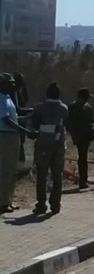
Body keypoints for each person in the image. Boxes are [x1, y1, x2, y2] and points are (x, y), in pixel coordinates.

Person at [0, 73, 37, 214]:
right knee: (5, 170)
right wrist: (26, 131)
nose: (14, 86)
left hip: (13, 136)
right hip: (5, 136)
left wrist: (29, 115)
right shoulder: (0, 99)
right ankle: (3, 203)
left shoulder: (8, 98)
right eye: (11, 83)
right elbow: (7, 121)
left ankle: (8, 200)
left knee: (11, 170)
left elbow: (14, 117)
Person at [29, 82, 68, 214]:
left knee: (42, 175)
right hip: (59, 144)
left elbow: (34, 124)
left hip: (43, 144)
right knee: (57, 175)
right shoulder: (64, 108)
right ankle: (55, 204)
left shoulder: (40, 108)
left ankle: (41, 204)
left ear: (47, 94)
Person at [67, 88, 94, 189]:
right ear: (85, 96)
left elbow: (68, 121)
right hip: (85, 134)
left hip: (76, 134)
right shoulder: (86, 107)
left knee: (82, 156)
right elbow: (89, 124)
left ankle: (83, 180)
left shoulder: (71, 106)